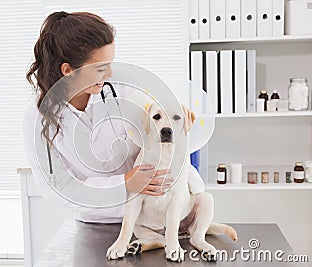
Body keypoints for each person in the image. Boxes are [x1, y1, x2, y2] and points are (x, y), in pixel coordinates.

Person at [23, 11, 204, 223]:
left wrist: (196, 196)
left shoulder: (122, 90)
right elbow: (58, 187)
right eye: (100, 68)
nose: (109, 74)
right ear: (68, 70)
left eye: (110, 64)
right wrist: (125, 183)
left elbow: (161, 138)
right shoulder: (38, 119)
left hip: (150, 215)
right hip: (97, 220)